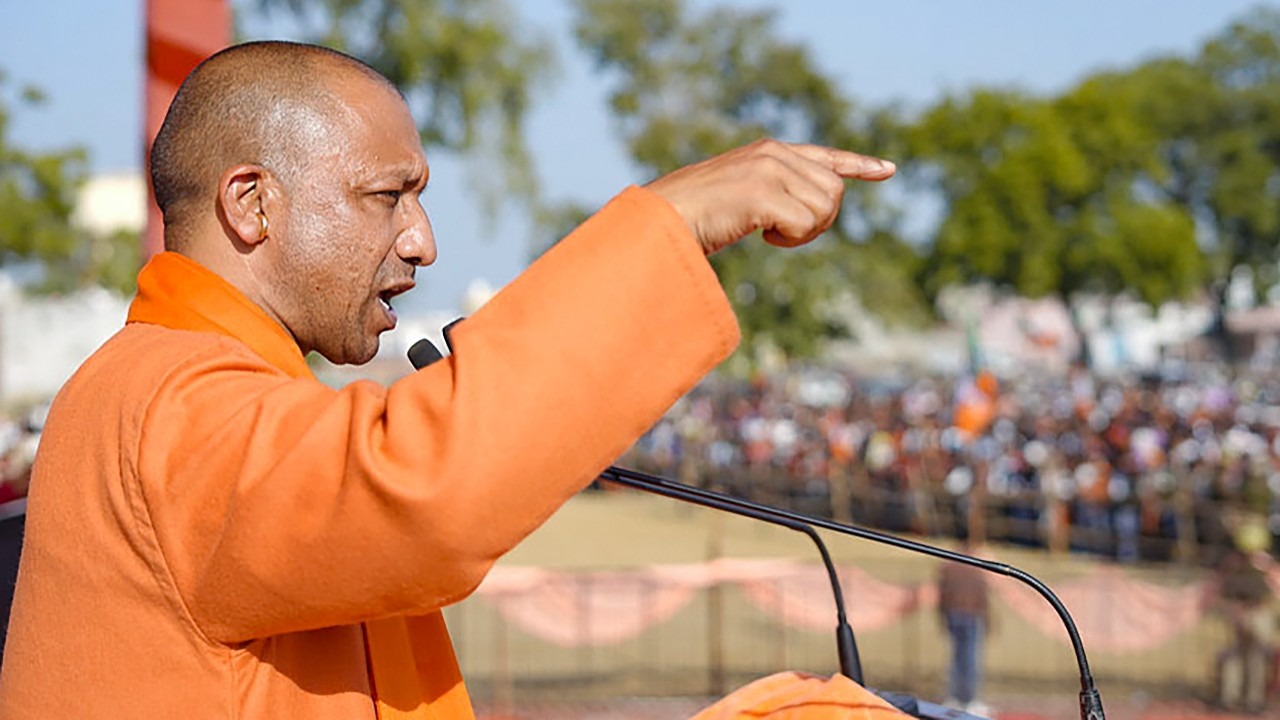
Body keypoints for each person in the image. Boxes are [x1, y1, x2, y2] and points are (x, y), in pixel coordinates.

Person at [0, 41, 895, 719]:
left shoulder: (205, 390)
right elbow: (423, 490)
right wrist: (671, 222)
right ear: (251, 203)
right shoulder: (160, 397)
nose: (423, 241)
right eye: (387, 196)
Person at [937, 540, 992, 715]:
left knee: (962, 658)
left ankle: (963, 698)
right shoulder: (972, 566)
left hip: (963, 615)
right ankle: (963, 698)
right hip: (967, 616)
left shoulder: (950, 566)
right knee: (967, 659)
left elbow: (943, 592)